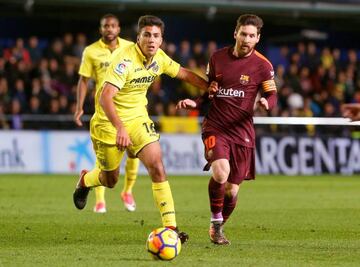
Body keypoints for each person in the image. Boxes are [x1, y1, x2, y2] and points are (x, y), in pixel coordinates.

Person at [73, 15, 208, 243]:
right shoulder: (124, 60)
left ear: (161, 40)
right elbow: (106, 98)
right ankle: (85, 180)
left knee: (157, 165)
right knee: (110, 180)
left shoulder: (160, 58)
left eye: (156, 36)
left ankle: (171, 228)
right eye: (146, 35)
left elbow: (184, 74)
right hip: (108, 122)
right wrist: (120, 128)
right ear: (138, 38)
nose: (151, 40)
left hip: (137, 118)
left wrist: (210, 88)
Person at [177, 14, 277, 245]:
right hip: (216, 125)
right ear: (235, 33)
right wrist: (197, 102)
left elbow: (272, 94)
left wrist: (265, 103)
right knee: (220, 173)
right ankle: (215, 223)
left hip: (242, 131)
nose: (246, 39)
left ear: (257, 38)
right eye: (243, 34)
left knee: (232, 191)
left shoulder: (263, 66)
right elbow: (210, 89)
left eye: (252, 36)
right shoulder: (217, 57)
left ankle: (219, 225)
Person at [74, 13, 139, 213]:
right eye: (105, 26)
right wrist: (79, 107)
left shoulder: (130, 47)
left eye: (113, 26)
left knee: (134, 151)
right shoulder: (91, 51)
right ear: (101, 29)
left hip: (130, 109)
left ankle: (127, 191)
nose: (109, 29)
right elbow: (84, 80)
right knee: (104, 159)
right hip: (105, 111)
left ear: (119, 29)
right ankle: (100, 200)